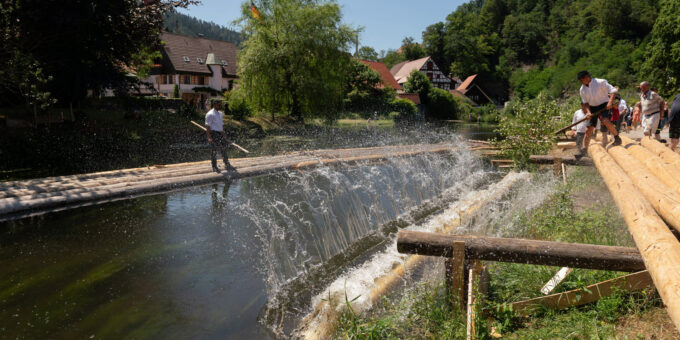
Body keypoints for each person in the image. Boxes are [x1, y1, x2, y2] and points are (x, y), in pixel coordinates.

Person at [577, 70, 621, 154]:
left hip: (604, 105)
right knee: (589, 128)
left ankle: (617, 137)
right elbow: (585, 103)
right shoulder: (582, 89)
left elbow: (613, 91)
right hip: (592, 107)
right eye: (581, 80)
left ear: (588, 77)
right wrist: (588, 112)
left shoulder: (600, 82)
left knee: (605, 120)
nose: (582, 81)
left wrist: (610, 102)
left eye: (583, 79)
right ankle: (584, 149)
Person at [205, 101, 236, 174]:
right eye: (219, 105)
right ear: (215, 105)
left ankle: (227, 164)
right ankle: (214, 166)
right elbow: (207, 126)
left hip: (220, 133)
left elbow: (220, 125)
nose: (220, 106)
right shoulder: (210, 114)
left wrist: (224, 134)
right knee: (214, 150)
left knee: (224, 148)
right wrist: (209, 137)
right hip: (213, 133)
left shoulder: (220, 114)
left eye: (220, 104)